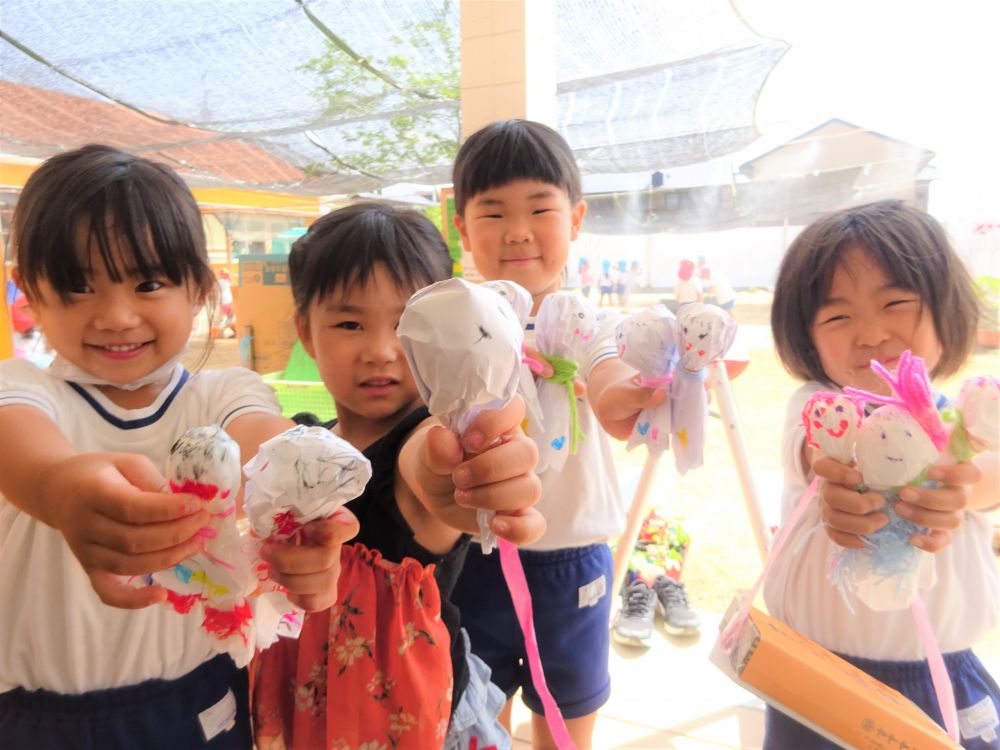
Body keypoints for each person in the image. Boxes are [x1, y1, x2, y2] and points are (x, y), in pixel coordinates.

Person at [0, 144, 354, 748]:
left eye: (148, 282)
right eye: (78, 286)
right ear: (28, 289)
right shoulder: (25, 389)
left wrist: (305, 504)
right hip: (38, 719)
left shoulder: (221, 393)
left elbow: (261, 440)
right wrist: (59, 490)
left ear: (197, 289)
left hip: (196, 702)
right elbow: (20, 447)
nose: (115, 316)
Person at [251, 203, 545, 750]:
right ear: (306, 334)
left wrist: (456, 473)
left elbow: (424, 472)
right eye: (349, 323)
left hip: (412, 721)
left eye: (407, 325)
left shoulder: (421, 439)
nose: (381, 350)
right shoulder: (301, 445)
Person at [451, 118, 666, 749]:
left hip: (573, 568)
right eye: (492, 213)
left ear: (575, 218)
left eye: (539, 208)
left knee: (566, 724)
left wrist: (626, 395)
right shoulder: (458, 323)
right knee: (471, 721)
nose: (517, 231)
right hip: (474, 558)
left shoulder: (590, 323)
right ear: (462, 227)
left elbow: (608, 377)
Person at [763, 200, 1000, 749]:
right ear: (807, 336)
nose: (870, 335)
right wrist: (839, 480)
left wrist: (960, 489)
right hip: (814, 678)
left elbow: (991, 472)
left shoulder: (960, 424)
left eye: (896, 303)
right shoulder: (819, 407)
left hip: (938, 677)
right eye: (838, 316)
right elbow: (814, 454)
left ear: (946, 311)